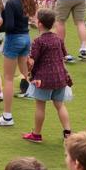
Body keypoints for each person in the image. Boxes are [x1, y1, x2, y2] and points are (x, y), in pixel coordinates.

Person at [0, 0, 37, 129]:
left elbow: (9, 26)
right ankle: (34, 90)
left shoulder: (11, 3)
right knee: (24, 71)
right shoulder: (26, 0)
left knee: (8, 79)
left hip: (14, 39)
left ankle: (7, 116)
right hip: (25, 37)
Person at [23, 9, 73, 143]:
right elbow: (63, 55)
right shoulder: (58, 39)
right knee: (60, 105)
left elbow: (32, 61)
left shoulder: (38, 41)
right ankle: (68, 133)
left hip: (42, 78)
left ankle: (36, 134)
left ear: (39, 24)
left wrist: (27, 64)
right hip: (60, 77)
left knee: (40, 106)